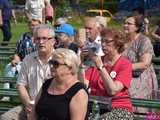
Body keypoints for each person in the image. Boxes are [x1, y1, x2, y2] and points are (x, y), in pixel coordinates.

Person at [0, 24, 56, 120]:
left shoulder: (60, 59)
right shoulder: (28, 59)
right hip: (31, 104)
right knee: (6, 118)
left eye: (45, 38)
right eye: (37, 39)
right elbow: (20, 85)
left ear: (53, 41)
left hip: (53, 107)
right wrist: (28, 104)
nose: (41, 42)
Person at [79, 28, 134, 120]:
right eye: (102, 41)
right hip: (96, 107)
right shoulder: (99, 60)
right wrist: (81, 63)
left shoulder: (125, 64)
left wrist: (100, 66)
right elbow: (83, 85)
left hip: (118, 108)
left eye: (107, 42)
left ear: (118, 44)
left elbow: (112, 90)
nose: (103, 45)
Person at [29, 48, 88, 120]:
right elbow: (33, 113)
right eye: (51, 62)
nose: (51, 66)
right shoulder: (47, 84)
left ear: (70, 68)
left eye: (56, 64)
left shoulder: (79, 92)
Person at [123, 16, 158, 112]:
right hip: (125, 75)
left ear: (137, 27)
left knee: (129, 93)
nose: (125, 25)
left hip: (141, 78)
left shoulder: (144, 40)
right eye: (124, 23)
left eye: (128, 24)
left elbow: (145, 64)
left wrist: (123, 68)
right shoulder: (123, 41)